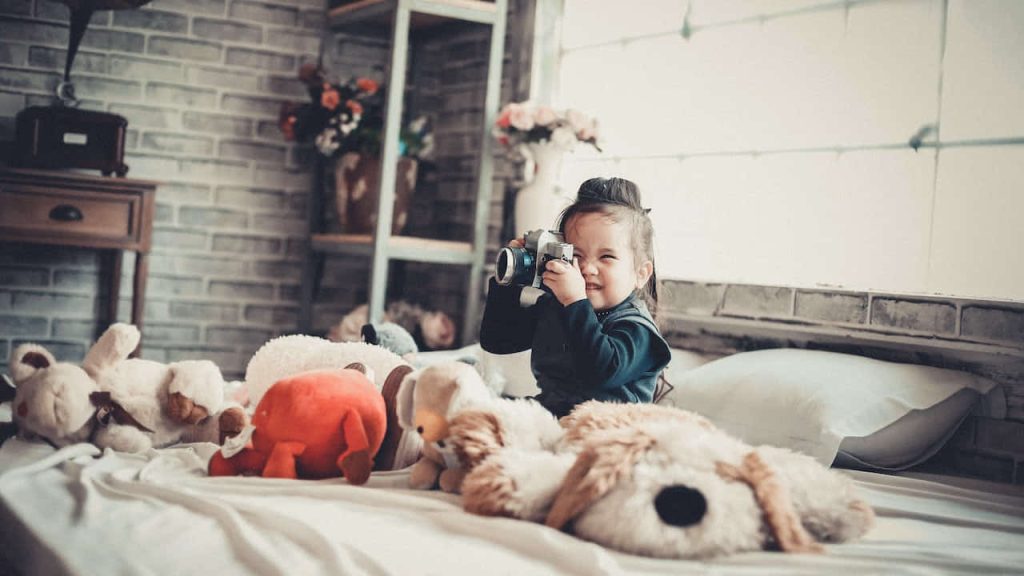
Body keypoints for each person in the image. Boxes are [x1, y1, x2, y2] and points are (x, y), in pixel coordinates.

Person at [479, 177, 671, 418]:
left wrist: (575, 302)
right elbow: (497, 341)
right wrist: (509, 282)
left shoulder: (638, 330)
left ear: (640, 274)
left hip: (609, 427)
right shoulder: (558, 306)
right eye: (576, 255)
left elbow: (601, 370)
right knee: (483, 416)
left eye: (607, 257)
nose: (587, 268)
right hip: (554, 414)